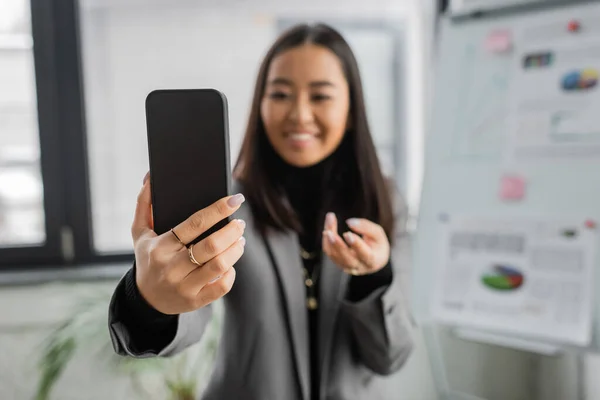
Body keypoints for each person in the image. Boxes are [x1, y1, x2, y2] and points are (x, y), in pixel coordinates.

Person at [109, 23, 415, 400]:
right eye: (281, 94)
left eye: (320, 96)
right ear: (261, 105)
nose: (300, 114)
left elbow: (391, 356)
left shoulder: (382, 201)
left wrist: (374, 276)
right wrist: (150, 301)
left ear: (351, 109)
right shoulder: (227, 203)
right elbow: (189, 315)